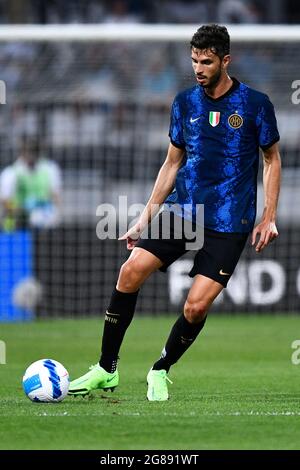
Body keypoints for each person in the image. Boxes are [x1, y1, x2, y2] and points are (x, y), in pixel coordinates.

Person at [68, 24, 281, 401]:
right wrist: (143, 218)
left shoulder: (255, 104)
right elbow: (171, 164)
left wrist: (269, 215)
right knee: (130, 270)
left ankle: (160, 370)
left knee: (195, 306)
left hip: (230, 221)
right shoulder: (185, 103)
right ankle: (106, 368)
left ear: (225, 61)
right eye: (195, 60)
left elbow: (272, 158)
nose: (199, 68)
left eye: (207, 61)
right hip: (184, 210)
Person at [0, 136, 62, 231]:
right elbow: (4, 200)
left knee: (40, 218)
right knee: (9, 221)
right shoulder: (11, 173)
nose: (31, 155)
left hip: (42, 215)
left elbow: (56, 197)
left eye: (34, 151)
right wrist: (20, 210)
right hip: (17, 217)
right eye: (28, 151)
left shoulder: (50, 169)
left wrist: (44, 206)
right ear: (22, 152)